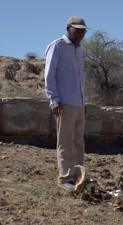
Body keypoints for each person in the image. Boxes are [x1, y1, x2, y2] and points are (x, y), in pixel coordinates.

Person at [44, 16, 88, 190]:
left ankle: (78, 176)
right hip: (64, 103)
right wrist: (54, 100)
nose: (80, 34)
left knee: (78, 141)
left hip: (79, 103)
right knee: (65, 141)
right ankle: (65, 178)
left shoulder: (79, 50)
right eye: (77, 30)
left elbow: (80, 78)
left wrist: (84, 101)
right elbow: (49, 75)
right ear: (68, 28)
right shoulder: (57, 46)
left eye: (83, 31)